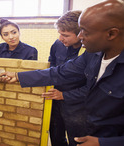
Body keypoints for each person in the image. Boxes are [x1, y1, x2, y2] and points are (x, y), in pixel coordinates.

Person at [0, 0, 124, 145]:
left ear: (111, 34)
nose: (80, 37)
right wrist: (18, 76)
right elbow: (60, 72)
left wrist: (104, 143)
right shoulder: (93, 55)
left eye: (85, 32)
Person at [46, 10, 87, 146]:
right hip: (55, 103)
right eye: (59, 34)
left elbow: (93, 87)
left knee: (77, 140)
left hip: (78, 107)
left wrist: (64, 95)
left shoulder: (91, 52)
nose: (60, 38)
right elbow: (51, 66)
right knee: (56, 138)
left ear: (81, 33)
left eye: (65, 35)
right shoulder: (57, 45)